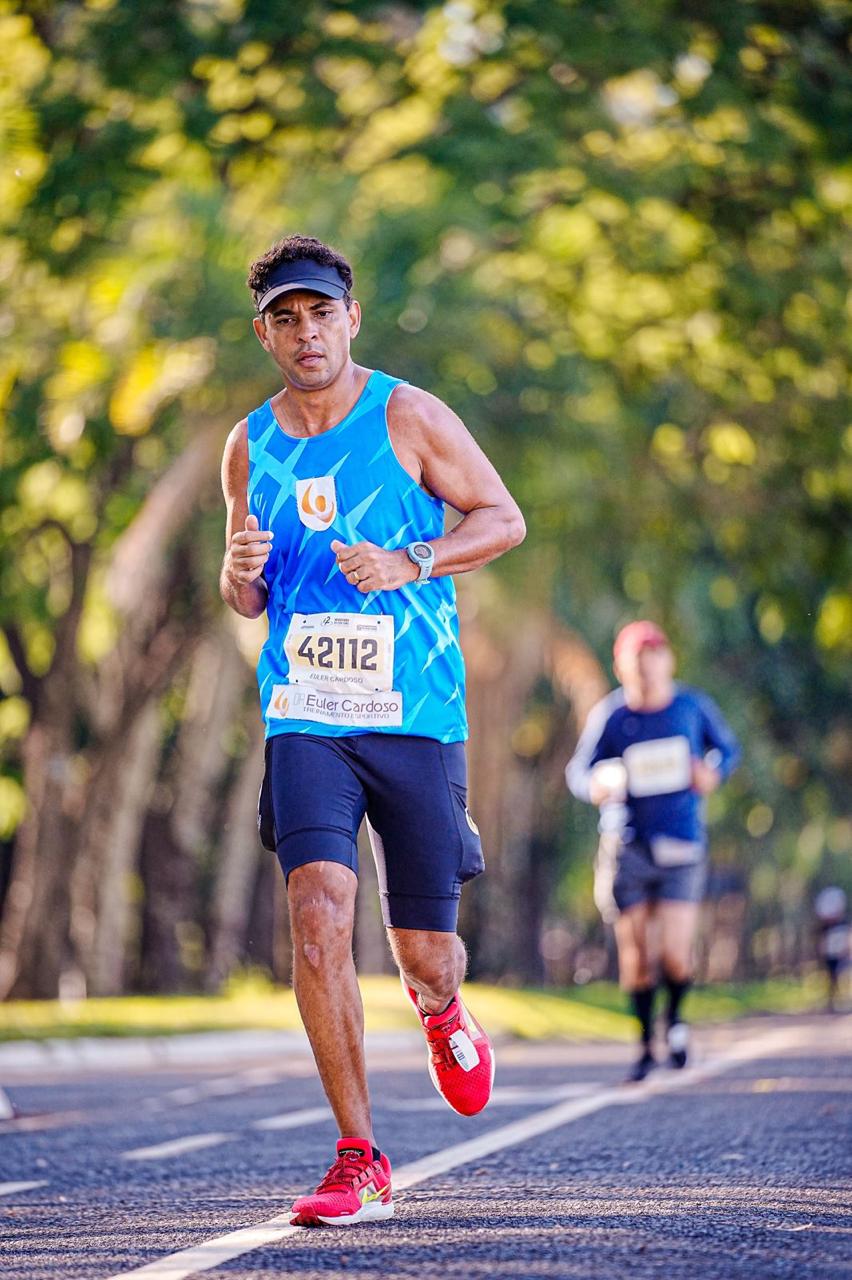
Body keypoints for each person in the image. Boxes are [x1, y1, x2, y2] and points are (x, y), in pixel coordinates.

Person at [219, 234, 525, 1226]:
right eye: (285, 318)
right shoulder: (248, 444)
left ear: (351, 319)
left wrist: (412, 560)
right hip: (306, 712)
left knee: (424, 951)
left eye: (321, 313)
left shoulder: (409, 415)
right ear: (264, 333)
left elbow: (503, 518)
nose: (306, 332)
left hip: (414, 714)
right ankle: (359, 1154)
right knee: (318, 912)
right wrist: (236, 574)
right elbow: (248, 595)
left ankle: (443, 1009)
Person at [566, 621, 740, 1082]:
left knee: (676, 954)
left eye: (653, 661)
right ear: (621, 668)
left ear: (668, 662)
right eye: (636, 664)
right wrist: (597, 784)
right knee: (638, 955)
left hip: (682, 843)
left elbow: (727, 750)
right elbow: (578, 772)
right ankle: (645, 1045)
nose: (646, 672)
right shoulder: (611, 715)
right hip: (627, 845)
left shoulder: (691, 707)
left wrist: (712, 772)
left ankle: (676, 1022)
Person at [814, 887, 849, 1013]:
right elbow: (821, 941)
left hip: (841, 954)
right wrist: (821, 951)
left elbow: (847, 937)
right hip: (830, 955)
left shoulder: (843, 923)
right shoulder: (825, 927)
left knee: (841, 977)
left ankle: (839, 1000)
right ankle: (832, 1002)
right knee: (831, 977)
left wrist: (846, 949)